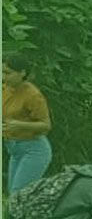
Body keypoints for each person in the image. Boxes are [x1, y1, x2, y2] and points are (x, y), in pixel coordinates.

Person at [3, 55, 54, 195]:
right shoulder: (5, 90)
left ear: (22, 73)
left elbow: (46, 126)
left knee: (18, 193)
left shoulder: (33, 95)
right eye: (2, 72)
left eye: (8, 73)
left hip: (34, 149)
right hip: (14, 149)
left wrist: (20, 125)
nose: (4, 77)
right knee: (13, 194)